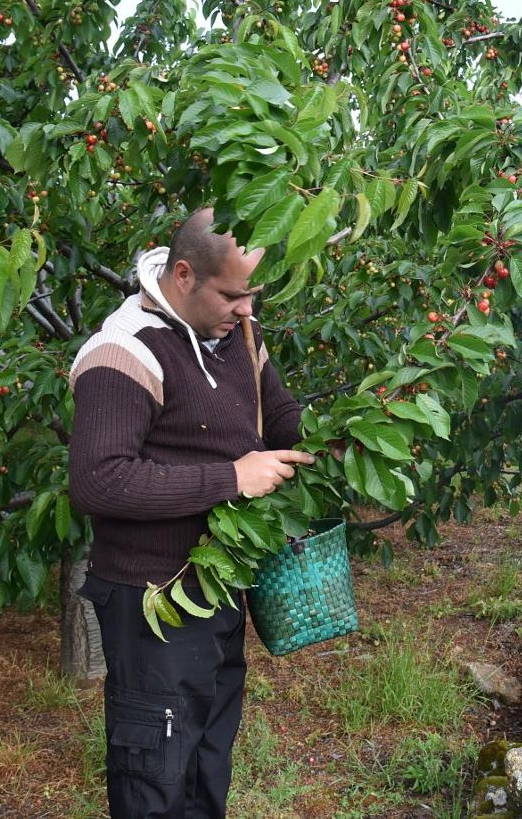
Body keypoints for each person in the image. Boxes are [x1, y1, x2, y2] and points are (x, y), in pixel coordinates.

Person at [67, 208, 315, 818]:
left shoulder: (236, 335)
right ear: (183, 276)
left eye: (253, 294)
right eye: (232, 296)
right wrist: (232, 478)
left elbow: (279, 416)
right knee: (155, 774)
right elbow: (99, 482)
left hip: (217, 587)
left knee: (207, 760)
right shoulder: (123, 351)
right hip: (152, 601)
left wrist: (348, 440)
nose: (247, 310)